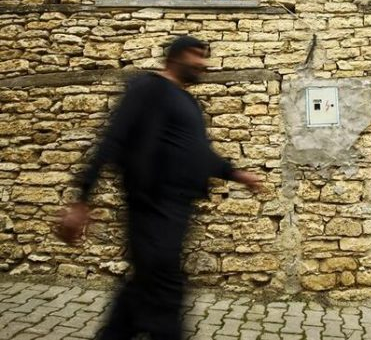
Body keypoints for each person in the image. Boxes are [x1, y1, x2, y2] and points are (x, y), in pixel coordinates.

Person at [56, 35, 263, 340]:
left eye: (204, 56)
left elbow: (199, 152)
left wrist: (235, 173)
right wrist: (81, 200)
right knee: (165, 287)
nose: (203, 63)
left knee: (143, 289)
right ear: (175, 57)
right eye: (196, 55)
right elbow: (112, 140)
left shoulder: (189, 102)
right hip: (150, 205)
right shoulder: (148, 89)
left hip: (177, 210)